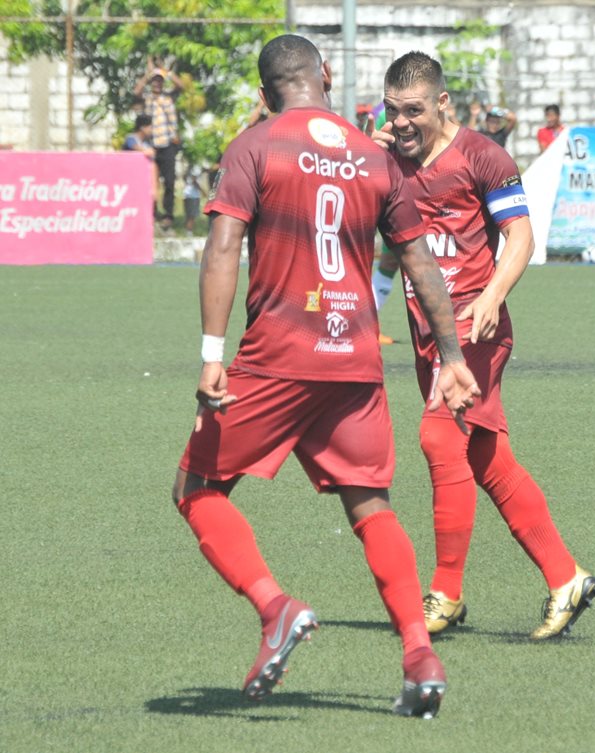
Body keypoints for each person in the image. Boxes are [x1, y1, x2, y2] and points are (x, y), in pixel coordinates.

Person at [171, 34, 480, 718]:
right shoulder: (376, 154)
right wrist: (453, 358)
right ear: (328, 77)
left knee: (196, 487)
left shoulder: (256, 145)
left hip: (278, 356)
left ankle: (275, 607)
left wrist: (210, 351)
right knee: (370, 504)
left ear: (263, 94)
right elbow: (420, 261)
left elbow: (223, 244)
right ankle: (419, 655)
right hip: (356, 360)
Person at [370, 51, 595, 641]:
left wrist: (494, 293)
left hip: (476, 331)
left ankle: (445, 592)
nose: (401, 123)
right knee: (486, 462)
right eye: (392, 111)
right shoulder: (388, 159)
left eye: (413, 111)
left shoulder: (483, 157)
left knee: (436, 437)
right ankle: (565, 576)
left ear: (442, 103)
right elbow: (389, 251)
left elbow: (520, 236)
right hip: (430, 337)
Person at [134, 61, 184, 230]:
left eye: (159, 80)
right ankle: (152, 213)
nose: (157, 83)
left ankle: (168, 216)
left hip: (168, 144)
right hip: (152, 146)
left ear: (163, 82)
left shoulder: (169, 96)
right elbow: (136, 91)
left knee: (169, 182)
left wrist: (166, 72)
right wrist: (148, 75)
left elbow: (181, 86)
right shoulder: (148, 98)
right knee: (151, 182)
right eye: (154, 81)